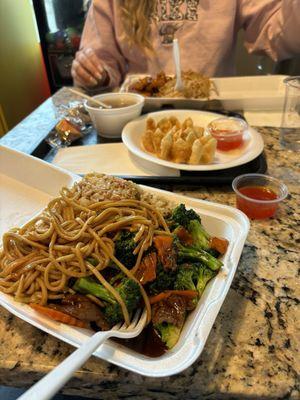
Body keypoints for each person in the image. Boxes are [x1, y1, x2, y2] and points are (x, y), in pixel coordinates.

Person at [71, 0, 300, 90]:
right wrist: (93, 72)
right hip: (138, 117)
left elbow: (279, 37)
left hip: (214, 116)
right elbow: (101, 61)